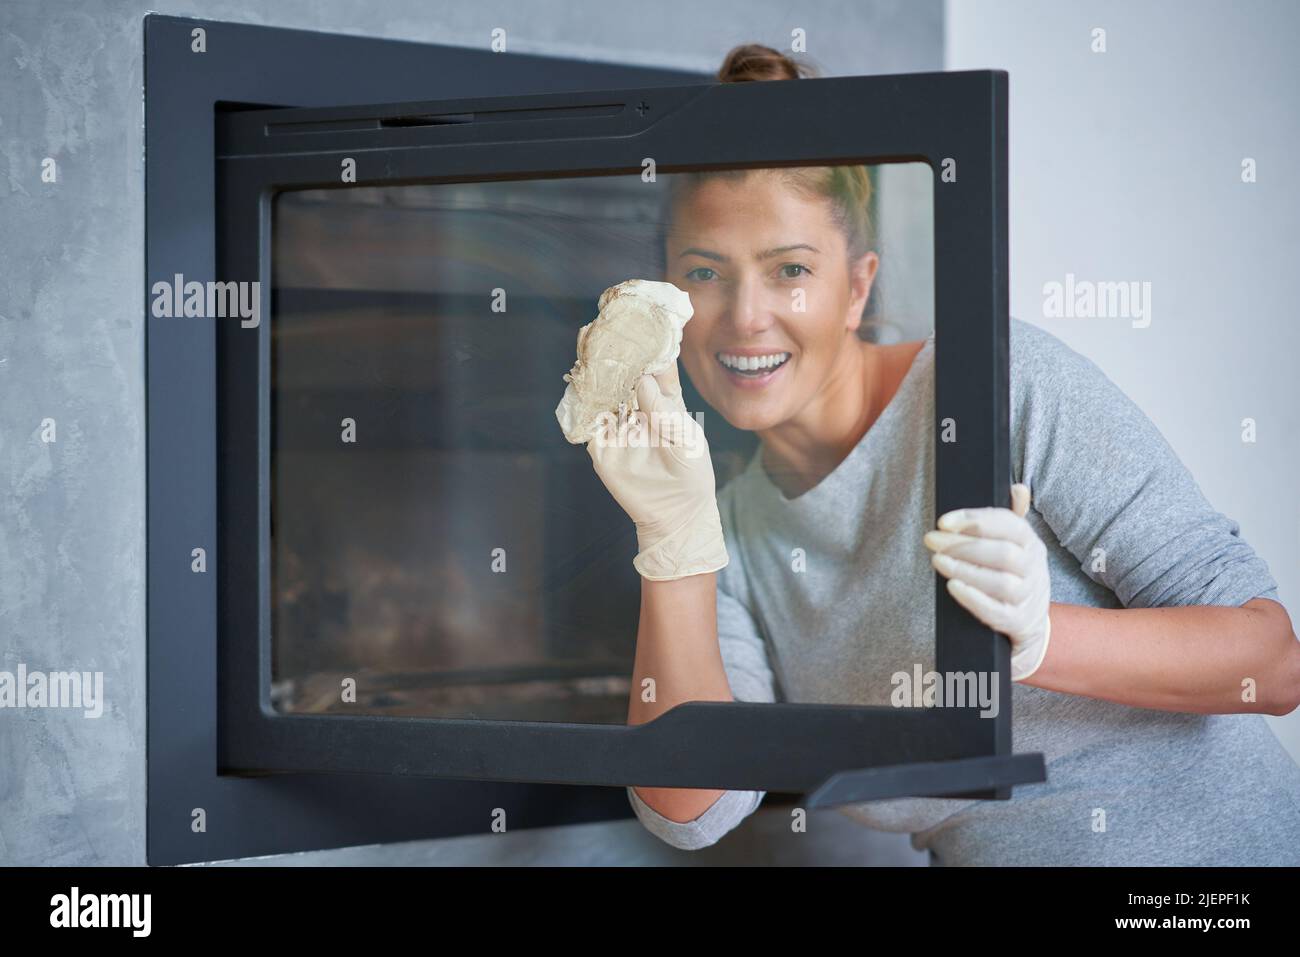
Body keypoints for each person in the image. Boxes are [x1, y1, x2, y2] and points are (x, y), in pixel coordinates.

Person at [586, 44, 1300, 865]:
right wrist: (672, 539)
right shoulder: (735, 530)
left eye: (789, 269)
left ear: (857, 287)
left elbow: (1271, 662)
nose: (746, 317)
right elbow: (692, 808)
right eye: (706, 272)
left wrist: (1035, 639)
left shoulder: (994, 383)